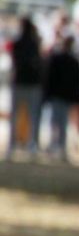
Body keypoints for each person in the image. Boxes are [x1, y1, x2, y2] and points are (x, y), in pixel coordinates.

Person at [5, 17, 44, 159]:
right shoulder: (34, 44)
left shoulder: (19, 44)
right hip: (31, 83)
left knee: (16, 115)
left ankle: (13, 144)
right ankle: (31, 144)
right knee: (32, 115)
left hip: (20, 82)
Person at [42, 35, 79, 162]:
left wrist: (47, 95)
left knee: (55, 121)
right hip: (65, 96)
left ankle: (55, 146)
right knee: (61, 122)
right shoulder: (72, 61)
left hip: (58, 96)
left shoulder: (57, 59)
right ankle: (60, 147)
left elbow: (50, 79)